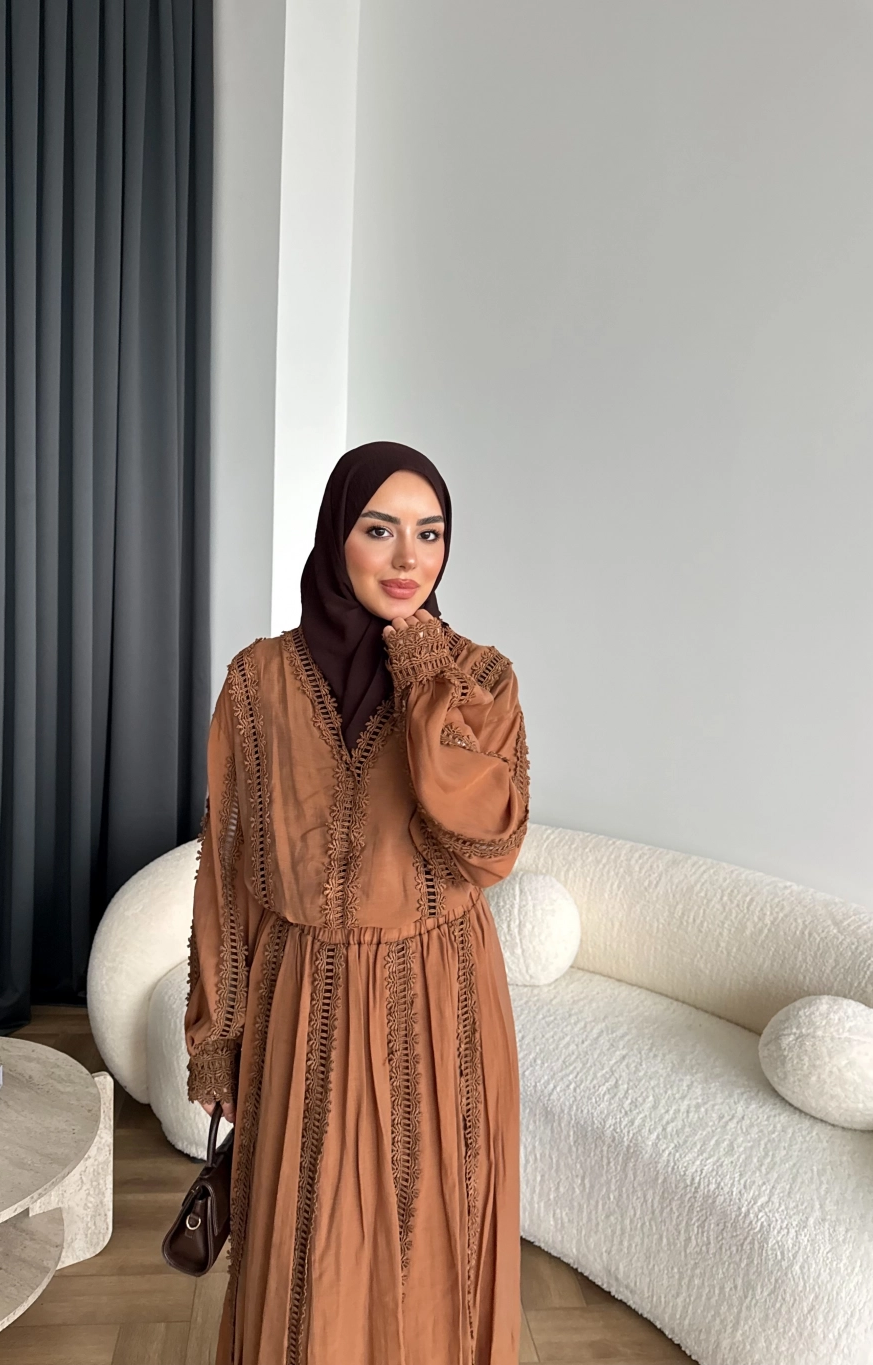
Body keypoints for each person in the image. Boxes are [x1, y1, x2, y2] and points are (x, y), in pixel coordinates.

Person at [183, 441, 529, 1364]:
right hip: (303, 995)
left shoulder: (479, 680)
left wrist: (420, 670)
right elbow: (230, 871)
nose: (409, 557)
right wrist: (220, 1029)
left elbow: (487, 843)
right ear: (337, 534)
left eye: (431, 533)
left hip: (443, 1001)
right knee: (305, 1247)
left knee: (434, 1248)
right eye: (380, 530)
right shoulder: (257, 681)